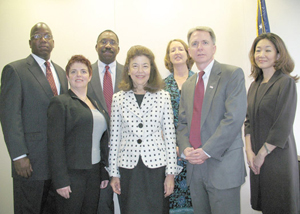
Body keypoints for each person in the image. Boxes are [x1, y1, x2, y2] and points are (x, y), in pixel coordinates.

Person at [177, 26, 247, 214]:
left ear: (214, 48)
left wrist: (206, 151)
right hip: (195, 167)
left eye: (205, 42)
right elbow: (182, 123)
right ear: (190, 51)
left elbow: (233, 119)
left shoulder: (232, 74)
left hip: (222, 165)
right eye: (194, 44)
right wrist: (185, 149)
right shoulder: (188, 84)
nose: (199, 47)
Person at [0, 22, 68, 214]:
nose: (43, 40)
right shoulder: (15, 70)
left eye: (47, 36)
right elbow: (9, 116)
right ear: (30, 42)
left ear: (53, 42)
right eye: (37, 37)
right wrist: (19, 155)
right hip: (30, 162)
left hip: (57, 165)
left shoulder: (61, 73)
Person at [108, 45, 181, 214]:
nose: (140, 71)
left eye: (145, 66)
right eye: (135, 65)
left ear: (151, 69)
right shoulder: (118, 98)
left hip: (156, 168)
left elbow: (170, 138)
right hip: (128, 169)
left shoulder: (163, 96)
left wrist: (170, 174)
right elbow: (115, 138)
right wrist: (114, 173)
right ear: (128, 69)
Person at [245, 33, 300, 214]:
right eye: (258, 50)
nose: (261, 54)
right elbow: (248, 121)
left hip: (277, 157)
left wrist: (261, 154)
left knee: (280, 205)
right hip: (257, 156)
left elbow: (282, 124)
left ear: (278, 54)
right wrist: (249, 152)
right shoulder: (254, 85)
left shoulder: (285, 82)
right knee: (265, 205)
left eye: (268, 50)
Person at [47, 55, 110, 214]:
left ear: (90, 76)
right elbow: (55, 145)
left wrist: (103, 171)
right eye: (73, 72)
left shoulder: (95, 104)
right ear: (67, 76)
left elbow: (102, 139)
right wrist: (60, 180)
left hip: (94, 172)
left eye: (83, 71)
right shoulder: (61, 103)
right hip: (72, 174)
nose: (78, 75)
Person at [87, 30, 123, 214]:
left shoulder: (131, 73)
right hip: (97, 154)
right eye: (103, 41)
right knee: (102, 205)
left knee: (132, 203)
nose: (107, 45)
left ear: (118, 47)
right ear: (96, 47)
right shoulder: (85, 73)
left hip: (128, 151)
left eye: (112, 42)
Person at [163, 39, 194, 213]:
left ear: (187, 53)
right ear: (168, 57)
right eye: (172, 50)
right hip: (171, 152)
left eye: (180, 48)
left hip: (198, 150)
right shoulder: (161, 85)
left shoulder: (200, 81)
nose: (176, 52)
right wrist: (171, 146)